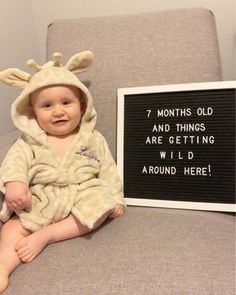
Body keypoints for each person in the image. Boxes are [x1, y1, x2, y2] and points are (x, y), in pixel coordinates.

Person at [0, 51, 126, 292]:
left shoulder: (91, 140)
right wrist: (15, 183)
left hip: (81, 193)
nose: (58, 112)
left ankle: (48, 235)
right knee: (11, 228)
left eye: (66, 102)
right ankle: (3, 266)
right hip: (43, 198)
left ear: (82, 105)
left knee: (100, 203)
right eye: (47, 106)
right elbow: (13, 163)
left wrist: (116, 197)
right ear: (32, 113)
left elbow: (107, 169)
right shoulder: (30, 141)